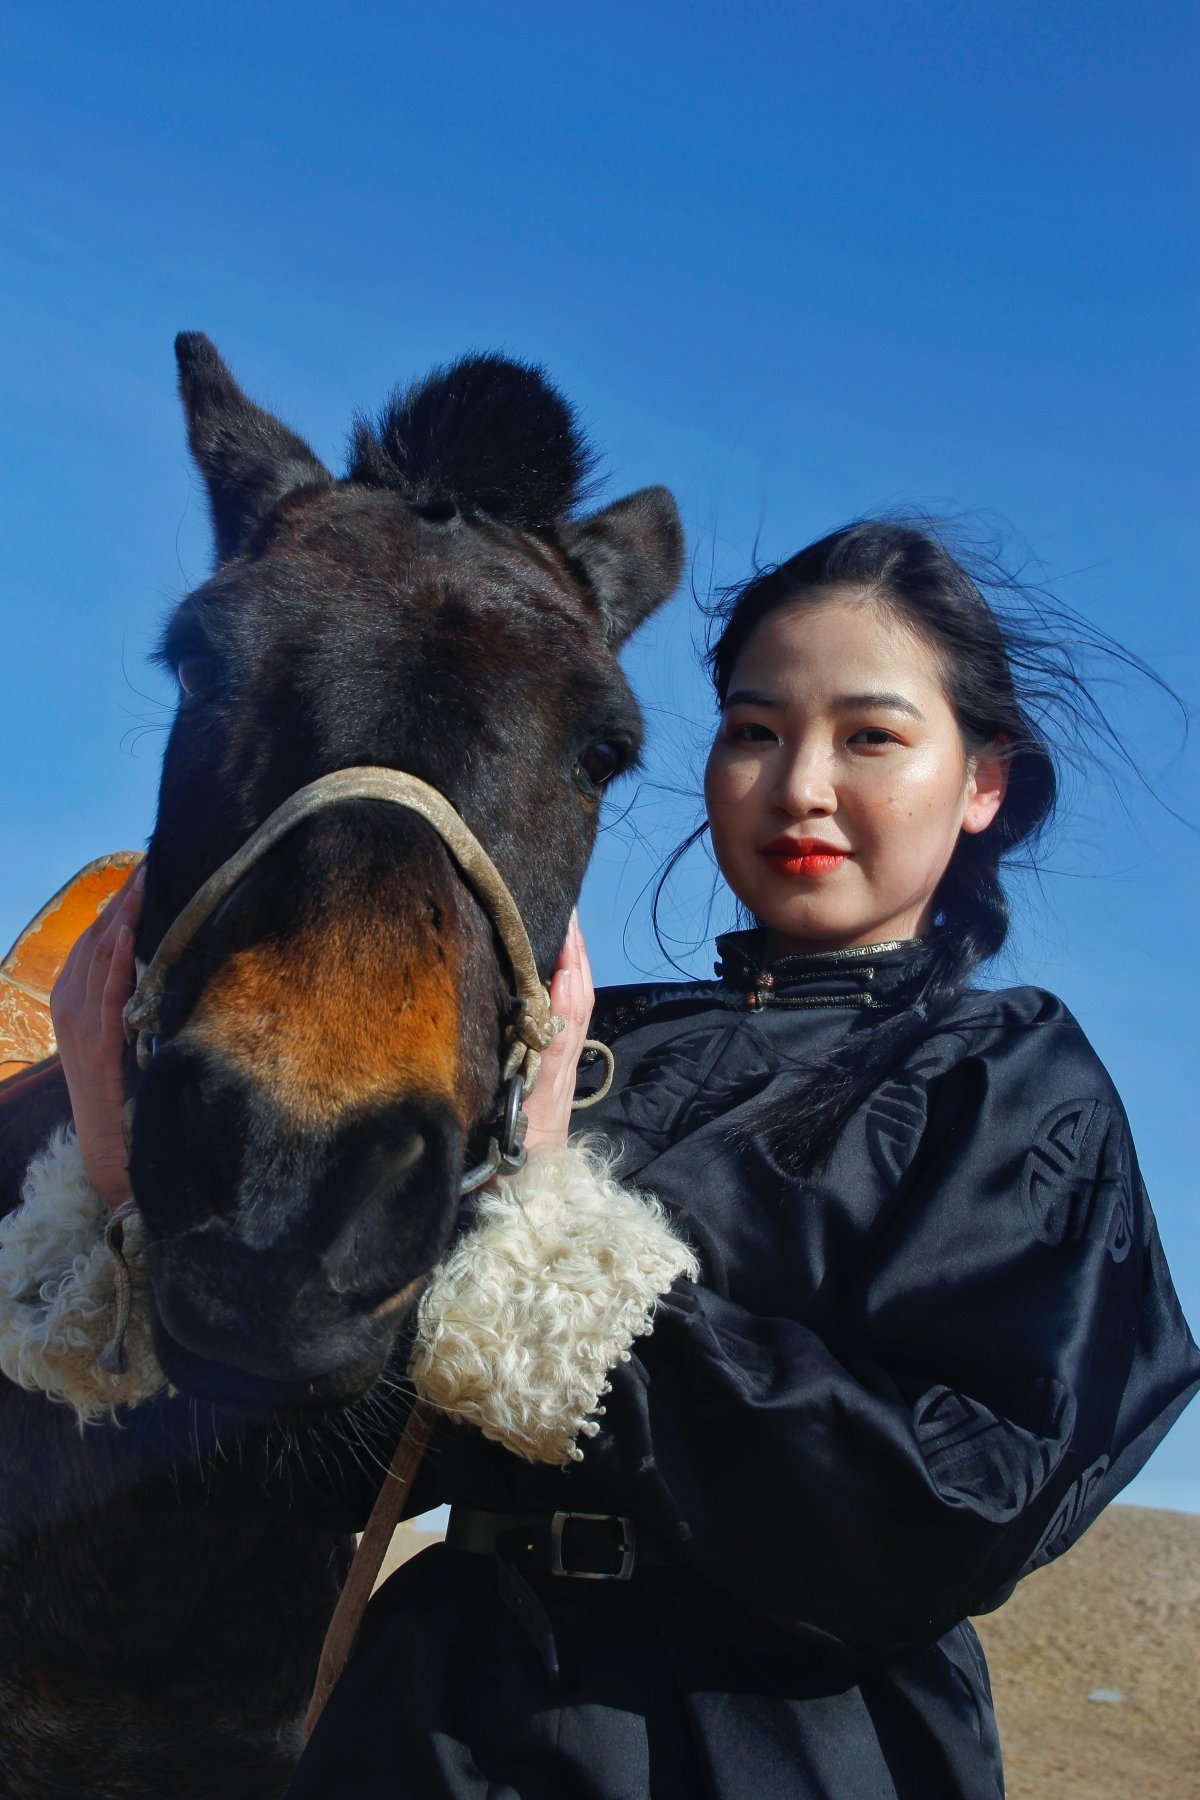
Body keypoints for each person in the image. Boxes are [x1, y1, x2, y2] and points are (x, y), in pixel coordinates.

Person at [25, 521, 1200, 1797]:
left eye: (870, 736)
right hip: (432, 1727)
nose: (799, 785)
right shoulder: (584, 1045)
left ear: (983, 781)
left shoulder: (1010, 1081)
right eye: (753, 731)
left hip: (770, 1746)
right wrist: (122, 1175)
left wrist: (543, 1241)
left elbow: (944, 1508)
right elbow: (311, 1414)